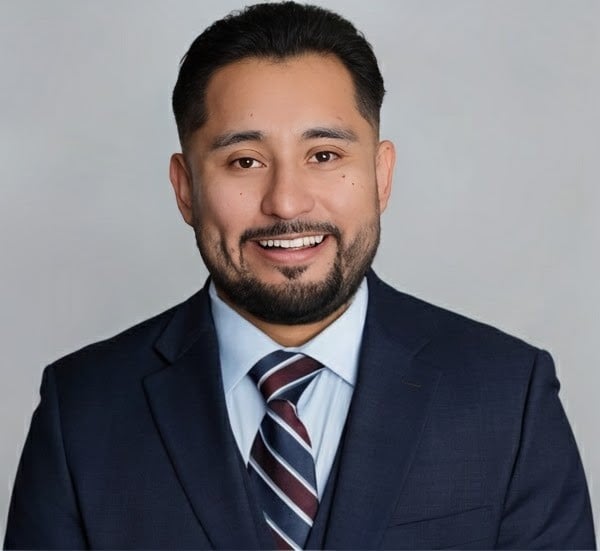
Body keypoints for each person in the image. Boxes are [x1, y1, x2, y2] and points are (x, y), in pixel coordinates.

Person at [4, 2, 595, 549]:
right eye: (245, 161)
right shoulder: (80, 411)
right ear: (185, 189)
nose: (286, 202)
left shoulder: (508, 397)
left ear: (382, 176)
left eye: (324, 156)